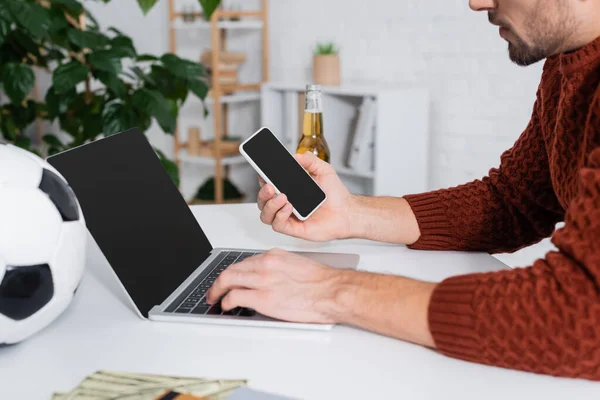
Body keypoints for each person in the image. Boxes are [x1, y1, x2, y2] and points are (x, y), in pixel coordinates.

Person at [207, 0, 600, 380]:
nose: (477, 3)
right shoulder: (566, 63)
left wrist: (329, 290)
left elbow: (583, 311)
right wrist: (351, 213)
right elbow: (512, 202)